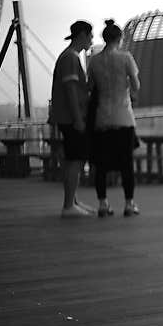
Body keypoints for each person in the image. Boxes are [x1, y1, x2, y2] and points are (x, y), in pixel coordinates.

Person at [87, 19, 141, 217]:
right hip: (123, 117)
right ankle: (129, 204)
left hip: (102, 118)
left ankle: (103, 204)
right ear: (119, 38)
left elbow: (90, 87)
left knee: (100, 164)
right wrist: (125, 83)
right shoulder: (125, 58)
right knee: (126, 163)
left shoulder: (94, 61)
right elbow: (136, 86)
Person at [49, 20, 94, 217]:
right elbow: (71, 91)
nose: (92, 40)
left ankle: (72, 201)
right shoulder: (70, 58)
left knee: (72, 159)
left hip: (67, 117)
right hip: (71, 118)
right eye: (90, 36)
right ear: (83, 35)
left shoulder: (69, 57)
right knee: (75, 160)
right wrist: (78, 118)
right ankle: (69, 205)